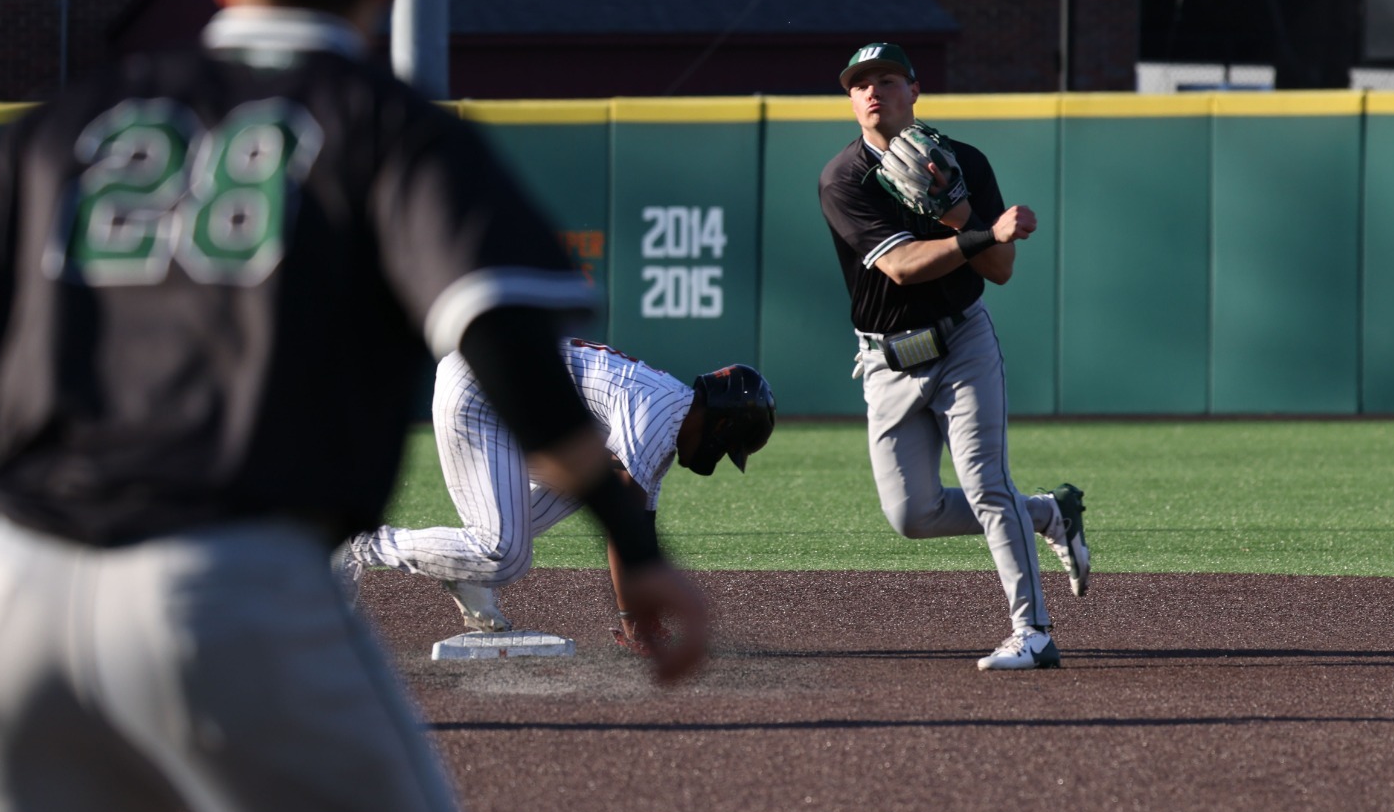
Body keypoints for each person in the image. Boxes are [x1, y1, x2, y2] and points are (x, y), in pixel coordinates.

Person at [0, 0, 707, 812]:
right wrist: (636, 538)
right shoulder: (388, 128)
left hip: (13, 590)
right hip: (234, 588)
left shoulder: (65, 122)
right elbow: (503, 344)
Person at [816, 42, 1090, 672]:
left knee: (986, 485)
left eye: (887, 78)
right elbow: (901, 267)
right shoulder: (844, 178)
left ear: (915, 91)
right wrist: (974, 232)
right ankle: (1050, 514)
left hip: (962, 341)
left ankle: (1035, 632)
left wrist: (960, 209)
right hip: (885, 359)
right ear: (851, 99)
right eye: (860, 83)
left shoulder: (963, 161)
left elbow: (1000, 270)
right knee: (913, 514)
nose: (872, 90)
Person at [343, 343, 774, 646]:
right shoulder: (660, 414)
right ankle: (360, 543)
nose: (720, 458)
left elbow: (635, 522)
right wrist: (635, 623)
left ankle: (465, 572)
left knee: (588, 484)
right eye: (730, 446)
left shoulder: (668, 414)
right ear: (723, 427)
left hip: (500, 392)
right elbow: (625, 532)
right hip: (480, 390)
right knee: (502, 552)